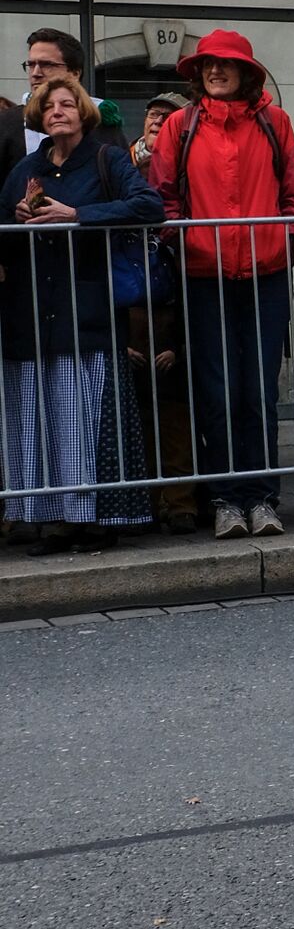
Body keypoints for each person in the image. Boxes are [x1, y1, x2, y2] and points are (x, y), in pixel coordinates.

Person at [148, 30, 294, 540]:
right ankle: (225, 500)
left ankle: (262, 497)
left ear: (245, 72)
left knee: (258, 390)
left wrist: (285, 237)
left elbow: (293, 194)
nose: (215, 70)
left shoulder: (275, 122)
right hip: (204, 276)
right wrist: (182, 239)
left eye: (226, 64)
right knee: (216, 392)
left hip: (265, 275)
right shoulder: (180, 125)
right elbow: (163, 196)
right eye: (207, 64)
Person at [0, 75, 161, 546]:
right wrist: (17, 218)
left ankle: (95, 519)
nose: (58, 112)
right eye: (50, 106)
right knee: (43, 419)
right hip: (34, 310)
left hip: (87, 308)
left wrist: (79, 216)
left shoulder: (107, 158)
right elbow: (3, 218)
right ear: (39, 116)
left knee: (85, 420)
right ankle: (55, 517)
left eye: (67, 104)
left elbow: (149, 205)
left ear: (83, 112)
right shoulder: (27, 167)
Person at [0, 29, 90, 183]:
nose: (35, 73)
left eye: (47, 65)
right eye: (31, 65)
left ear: (75, 73)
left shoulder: (100, 123)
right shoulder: (6, 123)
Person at [131, 93, 184, 171]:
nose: (158, 121)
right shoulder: (123, 157)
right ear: (145, 120)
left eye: (169, 117)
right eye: (153, 114)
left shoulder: (190, 166)